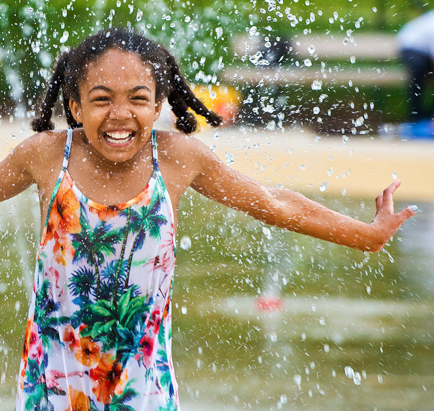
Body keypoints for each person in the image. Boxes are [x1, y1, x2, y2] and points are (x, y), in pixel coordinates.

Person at [2, 28, 415, 410]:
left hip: (143, 390)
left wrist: (366, 235)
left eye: (138, 98)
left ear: (159, 105)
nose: (120, 114)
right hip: (51, 385)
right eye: (102, 99)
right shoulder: (48, 155)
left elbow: (273, 203)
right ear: (75, 105)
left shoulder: (178, 159)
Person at [396, 10, 434, 122]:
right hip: (411, 46)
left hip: (425, 50)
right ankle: (415, 114)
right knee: (419, 69)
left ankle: (427, 115)